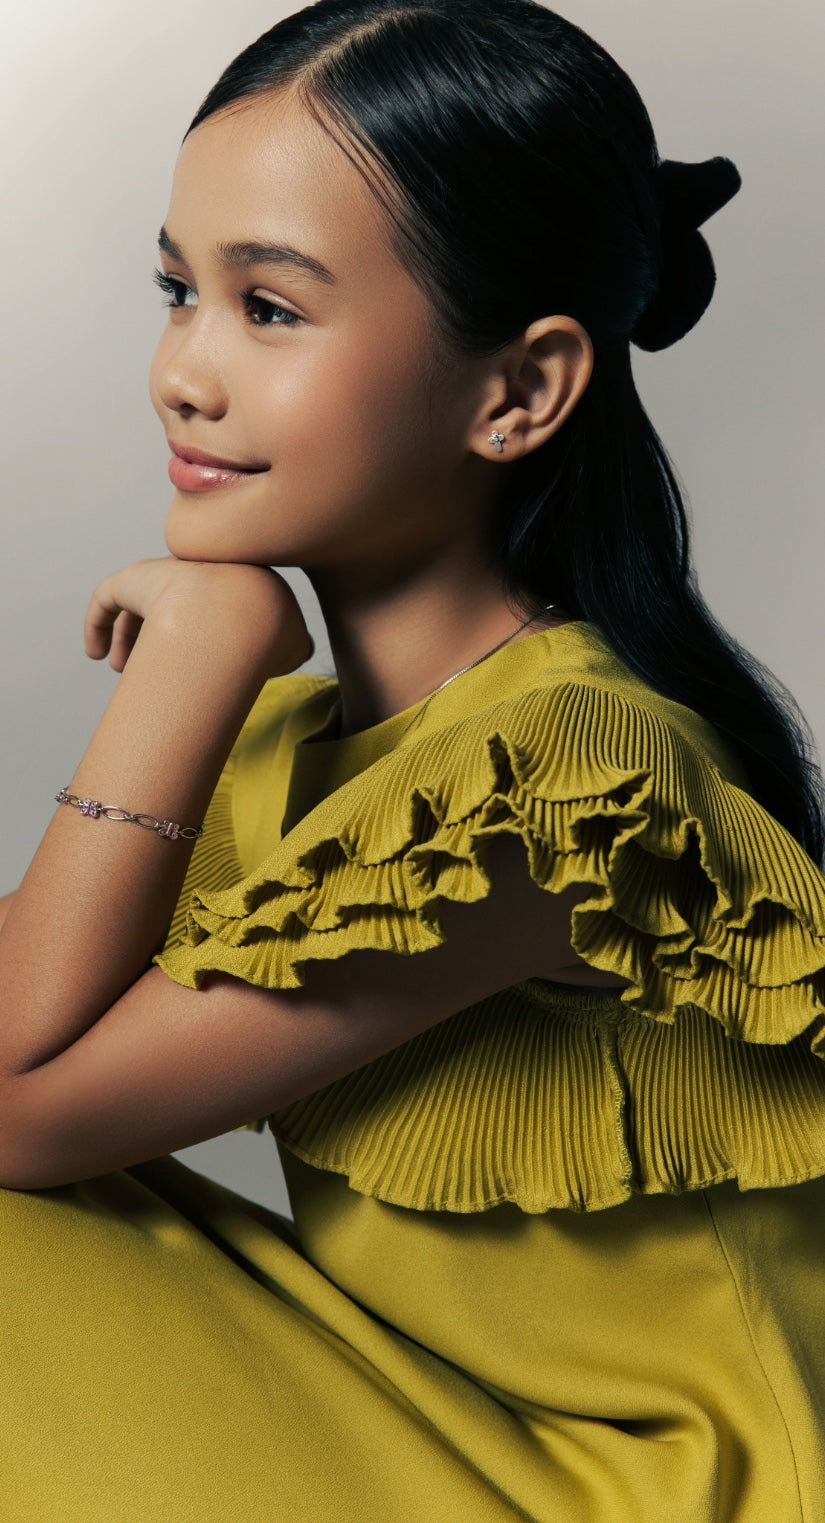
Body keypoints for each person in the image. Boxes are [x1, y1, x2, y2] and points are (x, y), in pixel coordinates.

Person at [1, 0, 824, 1517]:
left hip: (635, 1495)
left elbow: (11, 1109)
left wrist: (186, 659)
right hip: (429, 1411)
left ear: (515, 392)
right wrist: (216, 681)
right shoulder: (305, 752)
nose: (184, 371)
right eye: (177, 289)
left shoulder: (563, 777)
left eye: (271, 309)